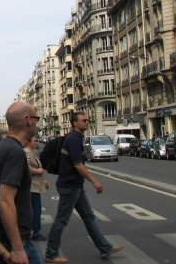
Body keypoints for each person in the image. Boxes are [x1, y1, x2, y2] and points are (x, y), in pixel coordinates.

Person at [44, 112, 123, 263]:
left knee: (89, 217)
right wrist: (94, 181)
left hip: (75, 185)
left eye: (87, 119)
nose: (87, 121)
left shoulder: (76, 138)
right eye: (84, 120)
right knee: (61, 220)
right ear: (75, 123)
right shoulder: (74, 139)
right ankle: (51, 253)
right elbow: (77, 164)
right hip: (69, 186)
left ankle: (104, 248)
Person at [0, 101, 41, 264]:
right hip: (13, 239)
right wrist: (17, 248)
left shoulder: (2, 147)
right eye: (36, 118)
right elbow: (5, 201)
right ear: (28, 120)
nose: (37, 122)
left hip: (8, 235)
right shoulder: (15, 152)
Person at [25, 136, 49, 241]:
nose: (36, 143)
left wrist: (42, 180)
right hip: (32, 185)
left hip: (35, 184)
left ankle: (33, 230)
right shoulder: (26, 152)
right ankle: (35, 232)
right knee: (35, 209)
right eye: (34, 141)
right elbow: (26, 167)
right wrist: (38, 172)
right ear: (28, 143)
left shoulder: (31, 152)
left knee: (35, 209)